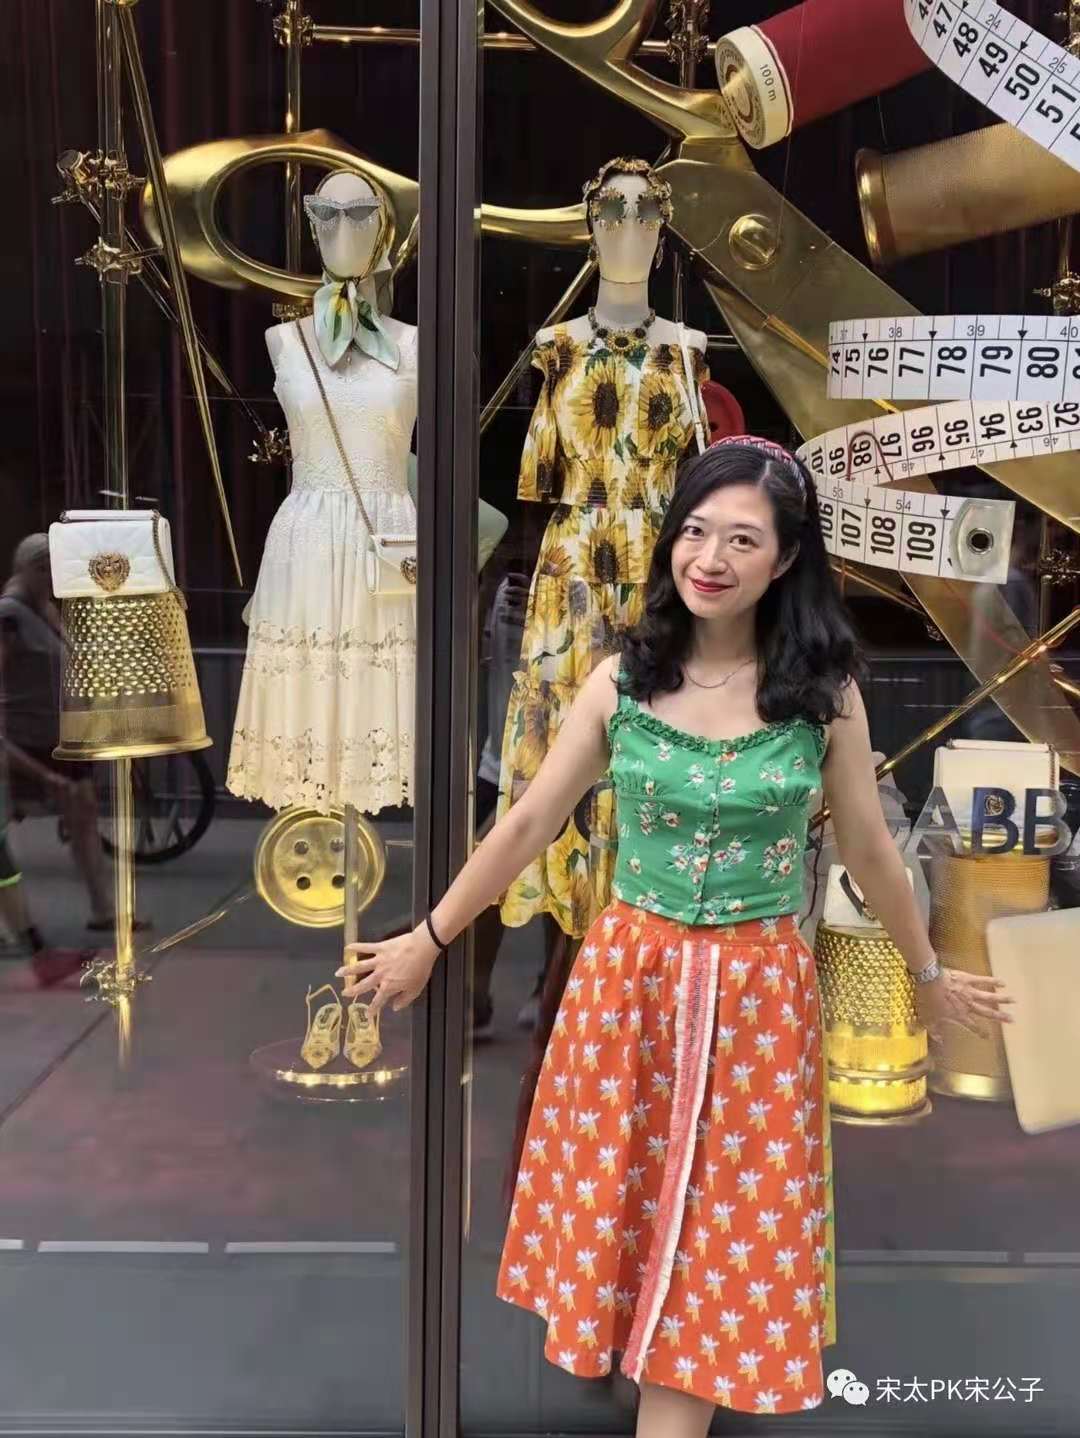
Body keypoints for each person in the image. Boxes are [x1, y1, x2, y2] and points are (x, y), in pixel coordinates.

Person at [338, 439, 1015, 1424]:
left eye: (743, 539)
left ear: (786, 559)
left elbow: (871, 850)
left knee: (720, 1241)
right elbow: (526, 824)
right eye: (696, 531)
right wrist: (430, 939)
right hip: (628, 989)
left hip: (759, 1002)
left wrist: (928, 971)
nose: (711, 558)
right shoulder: (622, 681)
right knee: (629, 1218)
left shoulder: (822, 697)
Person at [0, 533, 119, 931]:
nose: (54, 578)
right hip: (24, 740)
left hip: (59, 739)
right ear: (28, 569)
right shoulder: (9, 616)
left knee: (83, 816)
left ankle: (103, 910)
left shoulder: (44, 610)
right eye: (46, 569)